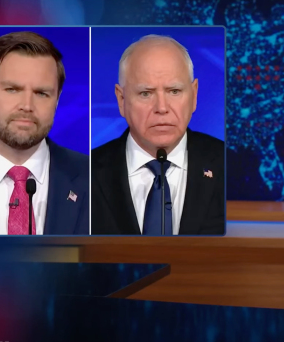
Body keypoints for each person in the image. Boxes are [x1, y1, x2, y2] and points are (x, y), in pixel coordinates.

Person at [0, 31, 89, 235]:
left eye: (41, 93)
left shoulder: (94, 179)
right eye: (12, 89)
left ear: (57, 99)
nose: (27, 106)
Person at [91, 35, 224, 235]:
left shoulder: (230, 164)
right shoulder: (85, 174)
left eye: (174, 91)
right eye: (146, 93)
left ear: (194, 95)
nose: (162, 108)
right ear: (121, 99)